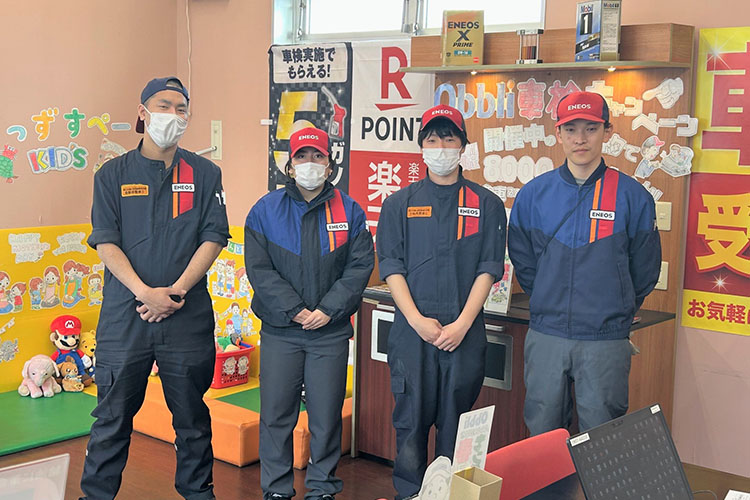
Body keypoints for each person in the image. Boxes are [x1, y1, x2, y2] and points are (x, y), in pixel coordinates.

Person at [80, 76, 230, 500]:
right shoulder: (112, 174)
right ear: (143, 112)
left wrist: (176, 292)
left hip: (186, 318)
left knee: (192, 421)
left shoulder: (205, 173)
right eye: (165, 106)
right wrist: (144, 292)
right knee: (111, 420)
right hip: (125, 318)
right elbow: (106, 242)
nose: (174, 115)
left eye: (182, 109)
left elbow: (214, 237)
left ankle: (198, 493)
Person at [508, 91, 662, 436]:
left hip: (605, 338)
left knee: (603, 437)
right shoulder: (533, 195)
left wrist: (616, 308)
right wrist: (547, 296)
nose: (580, 139)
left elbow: (645, 269)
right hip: (546, 333)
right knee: (543, 435)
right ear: (558, 133)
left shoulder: (633, 196)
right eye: (571, 129)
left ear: (607, 131)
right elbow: (524, 262)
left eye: (591, 128)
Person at [376, 104, 507, 500]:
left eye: (449, 138)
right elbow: (392, 266)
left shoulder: (486, 204)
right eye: (432, 139)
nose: (441, 147)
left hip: (464, 334)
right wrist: (416, 320)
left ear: (463, 146)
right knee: (410, 426)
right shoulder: (399, 204)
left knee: (457, 428)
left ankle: (452, 496)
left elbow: (489, 267)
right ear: (422, 147)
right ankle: (409, 494)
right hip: (412, 334)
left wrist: (463, 324)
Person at [245, 127, 374, 500]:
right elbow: (260, 270)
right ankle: (276, 489)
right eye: (302, 156)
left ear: (330, 164)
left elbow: (359, 268)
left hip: (329, 334)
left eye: (318, 156)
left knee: (326, 415)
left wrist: (328, 310)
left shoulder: (349, 211)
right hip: (281, 331)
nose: (310, 163)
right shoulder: (265, 210)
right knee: (276, 415)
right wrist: (297, 311)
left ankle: (322, 487)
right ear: (289, 165)